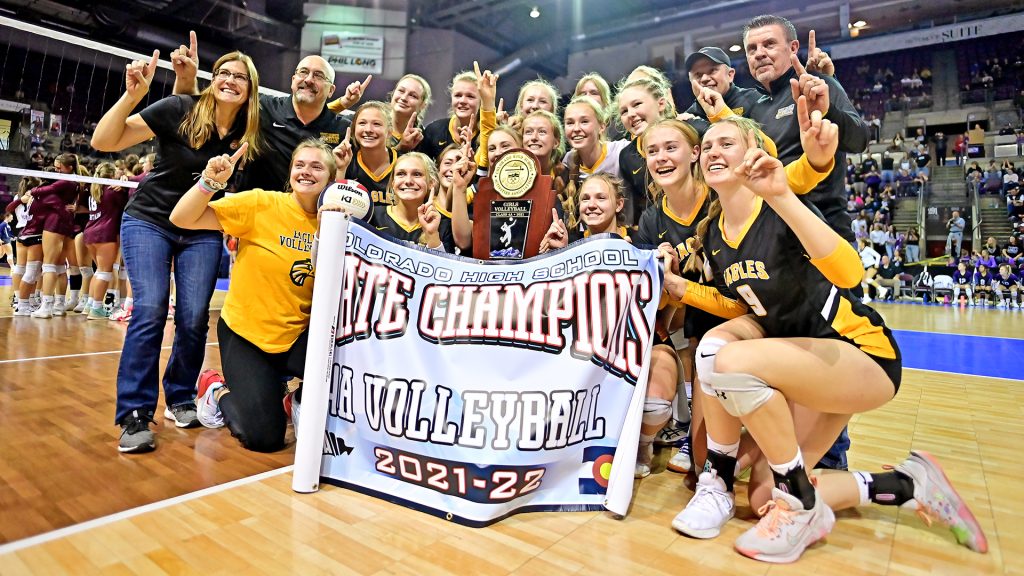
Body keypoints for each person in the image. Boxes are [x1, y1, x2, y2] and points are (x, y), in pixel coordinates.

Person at [662, 115, 986, 562]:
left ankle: (798, 507)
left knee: (728, 360)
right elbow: (742, 305)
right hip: (806, 361)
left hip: (860, 353)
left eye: (727, 142)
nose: (714, 150)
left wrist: (781, 195)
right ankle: (908, 484)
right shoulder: (716, 235)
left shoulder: (778, 205)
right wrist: (682, 290)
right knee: (760, 500)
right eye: (709, 144)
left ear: (754, 153)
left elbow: (851, 273)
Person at [92, 48, 262, 453]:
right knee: (150, 310)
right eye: (224, 72)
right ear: (213, 78)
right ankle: (134, 414)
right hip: (150, 220)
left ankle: (181, 394)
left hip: (200, 227)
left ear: (250, 89)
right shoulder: (180, 108)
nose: (231, 80)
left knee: (192, 317)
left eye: (240, 76)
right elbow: (104, 140)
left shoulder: (250, 132)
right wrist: (133, 95)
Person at [171, 140, 344, 452]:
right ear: (290, 172)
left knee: (351, 366)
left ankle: (296, 398)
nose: (306, 171)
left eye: (317, 166)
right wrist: (209, 183)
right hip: (247, 335)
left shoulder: (336, 221)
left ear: (331, 179)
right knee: (264, 438)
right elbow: (182, 218)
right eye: (300, 165)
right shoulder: (261, 204)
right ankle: (216, 390)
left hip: (296, 336)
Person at [172, 31, 356, 191]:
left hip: (309, 222)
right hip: (256, 214)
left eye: (318, 75)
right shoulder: (261, 107)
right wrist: (186, 79)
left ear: (331, 90)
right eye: (303, 72)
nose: (308, 79)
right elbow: (196, 112)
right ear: (293, 80)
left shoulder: (344, 130)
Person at [82, 162, 130, 319]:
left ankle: (89, 305)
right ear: (111, 175)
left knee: (99, 271)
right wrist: (124, 186)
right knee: (104, 272)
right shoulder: (112, 191)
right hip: (105, 234)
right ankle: (96, 309)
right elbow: (130, 199)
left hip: (90, 233)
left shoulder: (95, 189)